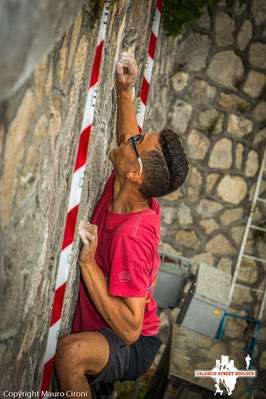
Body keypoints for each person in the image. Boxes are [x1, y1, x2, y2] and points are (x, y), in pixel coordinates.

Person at [54, 52, 189, 399]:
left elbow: (130, 329)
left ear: (135, 173)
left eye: (137, 143)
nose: (132, 137)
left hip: (135, 340)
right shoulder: (130, 184)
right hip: (116, 323)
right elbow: (129, 138)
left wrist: (88, 265)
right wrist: (123, 88)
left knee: (71, 354)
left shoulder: (132, 235)